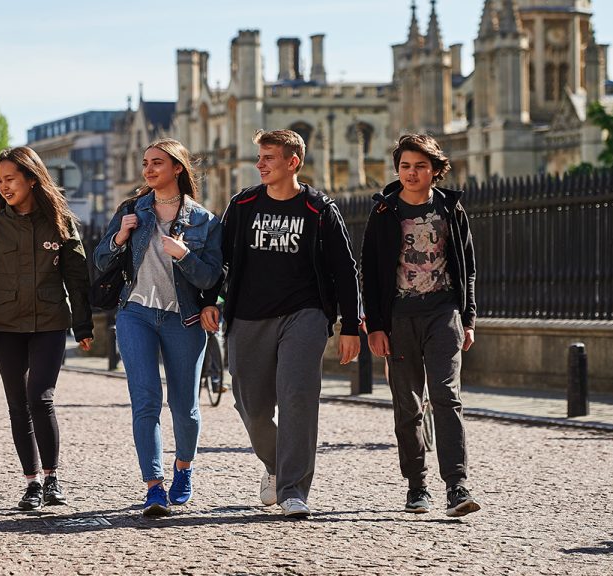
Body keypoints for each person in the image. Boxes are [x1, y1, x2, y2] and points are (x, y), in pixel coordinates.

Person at [201, 129, 361, 519]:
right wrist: (210, 300)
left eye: (268, 157)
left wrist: (351, 326)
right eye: (259, 157)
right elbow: (218, 259)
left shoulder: (319, 209)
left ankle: (293, 489)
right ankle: (275, 465)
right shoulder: (243, 205)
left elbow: (345, 269)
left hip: (303, 315)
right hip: (248, 317)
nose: (260, 164)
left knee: (297, 400)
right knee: (251, 407)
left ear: (293, 162)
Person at [93, 138, 223, 517]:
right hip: (135, 313)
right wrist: (120, 236)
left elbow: (212, 277)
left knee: (185, 405)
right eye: (146, 163)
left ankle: (183, 469)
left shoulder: (205, 221)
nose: (148, 170)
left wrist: (183, 255)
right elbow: (101, 259)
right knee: (145, 400)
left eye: (157, 163)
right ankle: (153, 486)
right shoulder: (132, 210)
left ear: (178, 168)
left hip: (184, 318)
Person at [360, 133, 480, 518]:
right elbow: (370, 273)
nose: (412, 173)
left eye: (420, 166)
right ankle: (417, 486)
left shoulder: (451, 210)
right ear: (398, 170)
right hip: (398, 318)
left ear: (435, 170)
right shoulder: (383, 213)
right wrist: (375, 325)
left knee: (447, 396)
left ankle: (457, 485)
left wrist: (469, 317)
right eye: (405, 166)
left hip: (443, 313)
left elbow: (468, 267)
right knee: (407, 404)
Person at [0, 146, 94, 511]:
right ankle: (32, 482)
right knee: (17, 404)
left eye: (10, 179)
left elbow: (77, 278)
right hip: (5, 326)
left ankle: (52, 477)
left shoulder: (60, 222)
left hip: (50, 323)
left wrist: (83, 325)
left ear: (31, 178)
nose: (4, 186)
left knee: (40, 396)